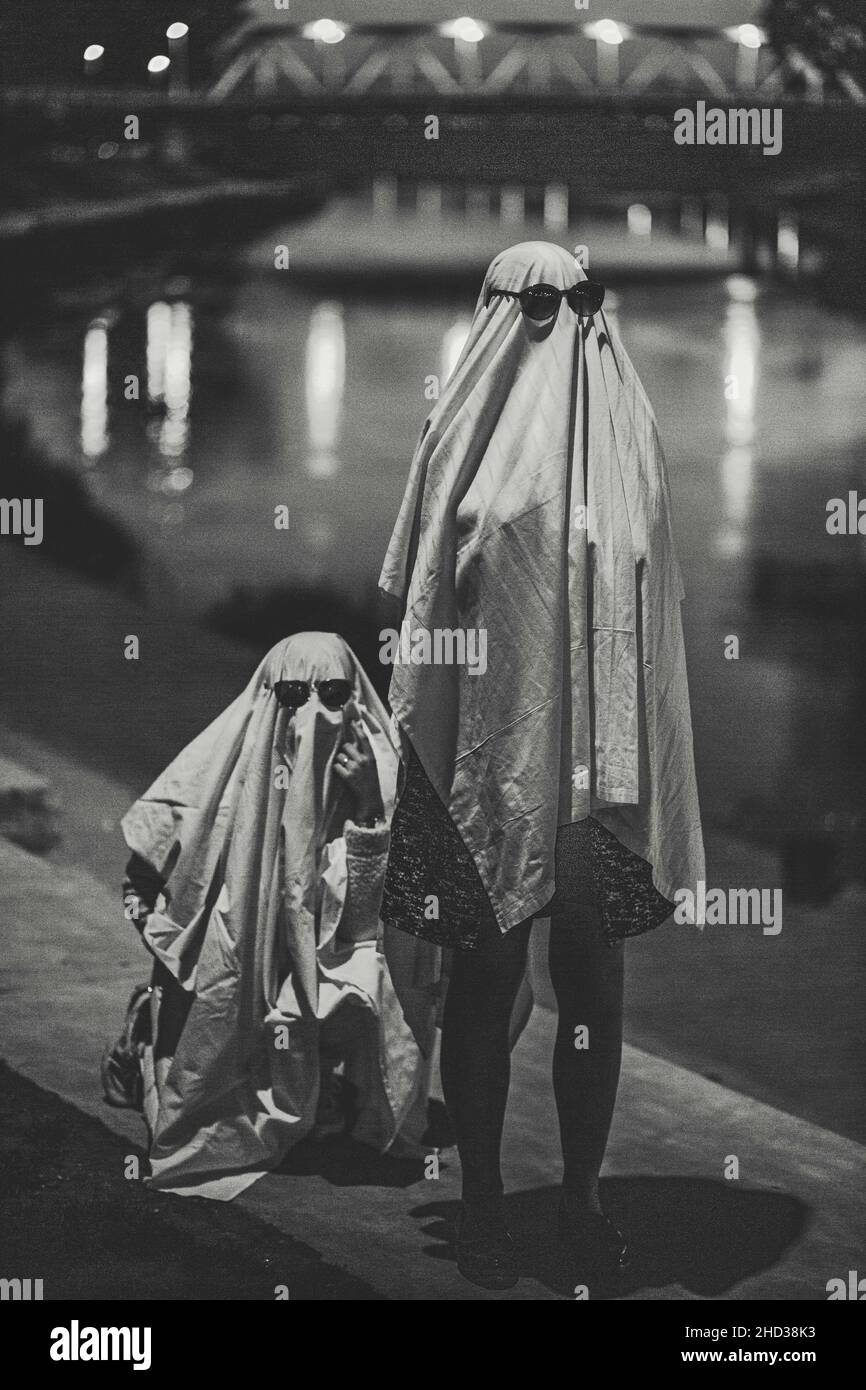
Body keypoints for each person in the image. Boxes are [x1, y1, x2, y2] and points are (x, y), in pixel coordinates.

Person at [378, 241, 705, 1289]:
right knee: (500, 981)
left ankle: (570, 1195)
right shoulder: (583, 433)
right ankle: (500, 1198)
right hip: (508, 769)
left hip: (569, 780)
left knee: (581, 989)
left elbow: (421, 587)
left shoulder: (581, 437)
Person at [102, 632, 437, 1200]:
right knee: (202, 1109)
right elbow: (143, 874)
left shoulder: (381, 774)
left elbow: (367, 925)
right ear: (266, 694)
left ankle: (324, 1091)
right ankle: (154, 1038)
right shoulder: (219, 774)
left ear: (355, 696)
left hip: (331, 967)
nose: (313, 712)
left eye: (332, 693)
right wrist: (183, 944)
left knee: (396, 976)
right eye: (292, 693)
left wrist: (370, 809)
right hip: (237, 981)